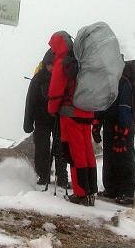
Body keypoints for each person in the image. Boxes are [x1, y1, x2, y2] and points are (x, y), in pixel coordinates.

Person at [47, 31, 97, 206]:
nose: (52, 49)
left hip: (70, 114)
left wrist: (52, 110)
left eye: (53, 46)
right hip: (87, 112)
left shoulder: (62, 63)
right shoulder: (81, 61)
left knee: (75, 154)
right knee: (87, 152)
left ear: (59, 45)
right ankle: (90, 191)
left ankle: (81, 194)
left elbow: (55, 91)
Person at [23, 50, 68, 188]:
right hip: (43, 119)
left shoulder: (60, 78)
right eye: (49, 65)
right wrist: (28, 123)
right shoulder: (38, 79)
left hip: (56, 118)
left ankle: (61, 177)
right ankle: (44, 175)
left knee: (59, 147)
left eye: (53, 65)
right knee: (42, 148)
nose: (51, 68)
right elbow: (30, 101)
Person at [93, 64, 135, 206]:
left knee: (124, 157)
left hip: (123, 126)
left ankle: (127, 193)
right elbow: (101, 104)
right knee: (111, 157)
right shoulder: (109, 81)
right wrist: (97, 125)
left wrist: (123, 131)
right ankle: (111, 189)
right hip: (110, 124)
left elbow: (125, 108)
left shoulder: (123, 82)